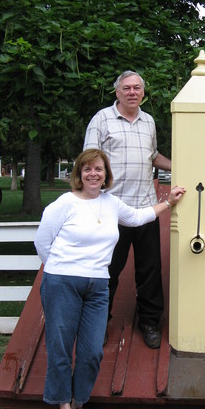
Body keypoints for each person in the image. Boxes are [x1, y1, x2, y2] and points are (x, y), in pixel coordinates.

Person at [34, 149, 185, 409]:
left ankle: (80, 402)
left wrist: (168, 202)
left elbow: (139, 217)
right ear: (78, 173)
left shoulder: (112, 203)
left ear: (106, 175)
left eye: (99, 170)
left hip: (98, 287)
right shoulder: (64, 204)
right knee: (62, 347)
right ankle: (66, 408)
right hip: (62, 282)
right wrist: (62, 268)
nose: (93, 174)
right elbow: (42, 242)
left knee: (92, 351)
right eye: (87, 169)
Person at [83, 71, 172, 349]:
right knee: (107, 270)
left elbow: (152, 156)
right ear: (117, 92)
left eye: (137, 88)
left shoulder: (149, 121)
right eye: (126, 88)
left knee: (150, 271)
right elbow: (89, 160)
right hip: (111, 210)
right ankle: (98, 324)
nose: (132, 92)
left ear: (143, 93)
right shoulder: (101, 119)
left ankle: (149, 322)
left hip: (145, 208)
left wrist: (181, 165)